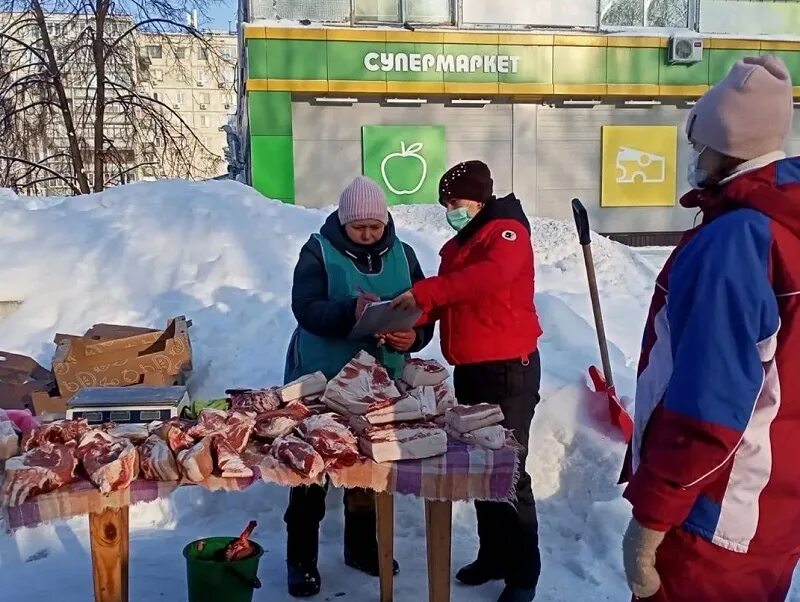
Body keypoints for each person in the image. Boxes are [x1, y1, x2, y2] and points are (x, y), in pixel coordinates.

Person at [621, 56, 800, 602]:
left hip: (713, 515)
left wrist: (652, 519)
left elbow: (709, 404)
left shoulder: (737, 242)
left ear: (727, 146)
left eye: (700, 143)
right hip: (773, 507)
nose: (695, 156)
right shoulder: (784, 223)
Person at [392, 161, 543, 602]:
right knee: (482, 468)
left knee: (509, 471)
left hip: (509, 371)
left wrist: (427, 293)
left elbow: (485, 279)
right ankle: (493, 555)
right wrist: (409, 325)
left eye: (454, 202)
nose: (449, 210)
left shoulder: (507, 233)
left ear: (478, 198)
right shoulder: (457, 246)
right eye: (445, 204)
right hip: (472, 371)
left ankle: (524, 575)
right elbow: (444, 301)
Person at [283, 175, 434, 598]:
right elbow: (306, 309)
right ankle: (301, 560)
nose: (368, 235)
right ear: (343, 222)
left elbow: (423, 313)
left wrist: (414, 337)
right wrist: (351, 311)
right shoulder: (318, 251)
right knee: (309, 469)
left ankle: (362, 546)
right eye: (359, 228)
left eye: (375, 226)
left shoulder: (404, 254)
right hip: (321, 376)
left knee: (370, 465)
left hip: (379, 379)